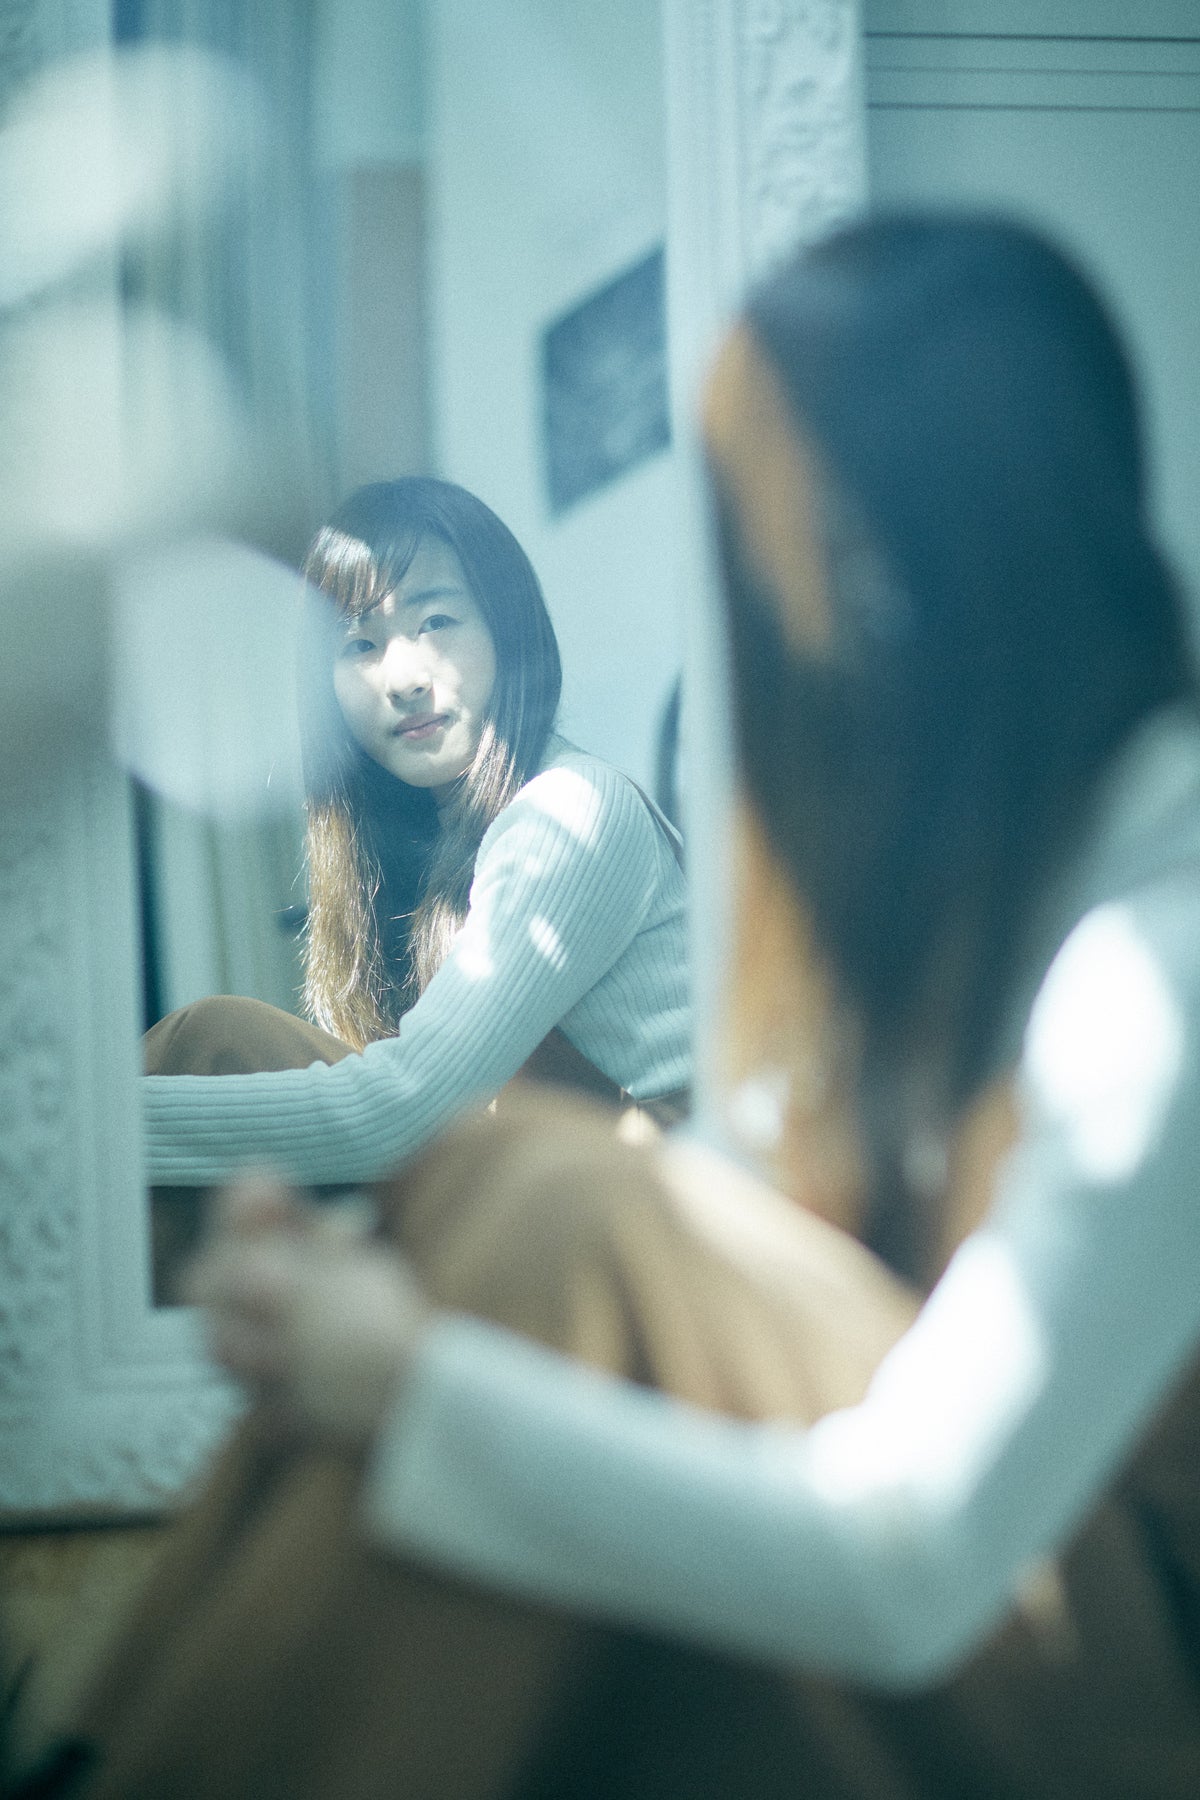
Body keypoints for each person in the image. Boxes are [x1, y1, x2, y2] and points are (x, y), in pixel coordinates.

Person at [43, 214, 1200, 1798]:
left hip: (1089, 1651)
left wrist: (411, 1381)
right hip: (938, 1545)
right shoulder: (977, 884)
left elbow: (921, 1550)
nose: (812, 642)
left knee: (547, 1201)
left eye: (840, 575)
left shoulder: (1155, 954)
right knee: (451, 1160)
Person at [141, 477, 691, 1208]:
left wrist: (101, 1133)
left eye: (436, 622)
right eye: (359, 644)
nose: (401, 678)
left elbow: (405, 1113)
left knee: (212, 1046)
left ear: (507, 629)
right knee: (218, 1048)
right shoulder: (430, 849)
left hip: (665, 1223)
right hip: (561, 1198)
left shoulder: (571, 810)